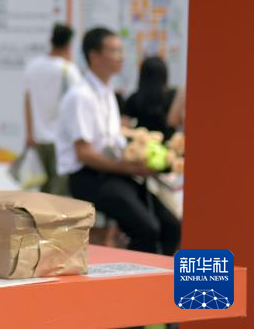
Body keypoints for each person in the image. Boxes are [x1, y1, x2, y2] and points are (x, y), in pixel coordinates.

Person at [55, 27, 181, 254]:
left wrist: (141, 155)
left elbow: (113, 141)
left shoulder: (107, 93)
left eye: (121, 50)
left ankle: (160, 274)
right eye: (114, 51)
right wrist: (129, 167)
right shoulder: (81, 95)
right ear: (94, 56)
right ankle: (136, 274)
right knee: (147, 229)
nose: (121, 57)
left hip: (115, 172)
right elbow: (84, 153)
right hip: (89, 176)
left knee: (171, 226)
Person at [23, 23, 81, 195]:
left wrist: (29, 133)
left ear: (51, 40)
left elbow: (27, 101)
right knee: (59, 195)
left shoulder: (33, 66)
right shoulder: (68, 70)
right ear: (69, 45)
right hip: (61, 141)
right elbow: (76, 105)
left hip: (38, 138)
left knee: (41, 192)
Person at [124, 55, 177, 140]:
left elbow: (124, 125)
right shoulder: (172, 96)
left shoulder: (135, 98)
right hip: (169, 143)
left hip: (142, 143)